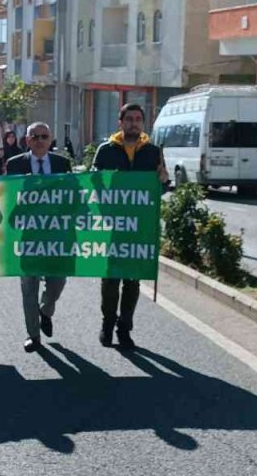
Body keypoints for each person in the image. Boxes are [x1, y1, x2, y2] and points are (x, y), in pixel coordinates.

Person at [92, 103, 169, 350]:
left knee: (132, 280)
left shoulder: (153, 152)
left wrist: (164, 180)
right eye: (129, 119)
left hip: (140, 227)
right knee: (111, 278)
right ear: (120, 122)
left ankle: (125, 328)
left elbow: (160, 189)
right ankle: (107, 323)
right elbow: (94, 183)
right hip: (112, 226)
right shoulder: (105, 151)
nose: (134, 123)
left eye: (138, 119)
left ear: (143, 123)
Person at [6, 122, 72, 353]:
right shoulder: (15, 165)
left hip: (57, 238)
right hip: (28, 237)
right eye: (35, 136)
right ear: (27, 140)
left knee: (58, 282)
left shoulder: (63, 164)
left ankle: (46, 311)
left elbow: (72, 198)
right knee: (28, 287)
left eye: (44, 136)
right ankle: (33, 335)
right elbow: (7, 199)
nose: (40, 140)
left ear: (51, 139)